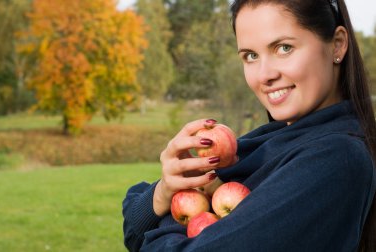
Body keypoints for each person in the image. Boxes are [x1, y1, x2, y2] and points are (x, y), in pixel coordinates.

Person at [122, 0, 376, 251]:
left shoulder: (334, 157)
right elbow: (133, 231)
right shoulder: (263, 143)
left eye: (284, 48)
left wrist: (172, 214)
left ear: (338, 45)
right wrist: (164, 192)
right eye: (251, 56)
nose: (264, 75)